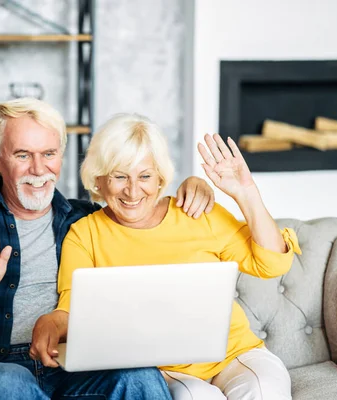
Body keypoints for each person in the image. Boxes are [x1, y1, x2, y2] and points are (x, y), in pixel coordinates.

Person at [0, 98, 216, 400]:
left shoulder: (87, 218)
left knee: (140, 376)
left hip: (74, 368)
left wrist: (191, 187)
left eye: (49, 153)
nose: (39, 169)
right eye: (22, 155)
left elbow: (142, 205)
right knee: (9, 381)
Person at [31, 113, 302, 400]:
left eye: (145, 176)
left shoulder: (196, 212)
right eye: (119, 176)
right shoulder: (85, 234)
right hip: (166, 370)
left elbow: (271, 263)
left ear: (160, 177)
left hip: (235, 354)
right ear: (99, 179)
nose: (133, 191)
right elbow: (72, 310)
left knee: (264, 390)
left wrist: (246, 193)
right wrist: (50, 323)